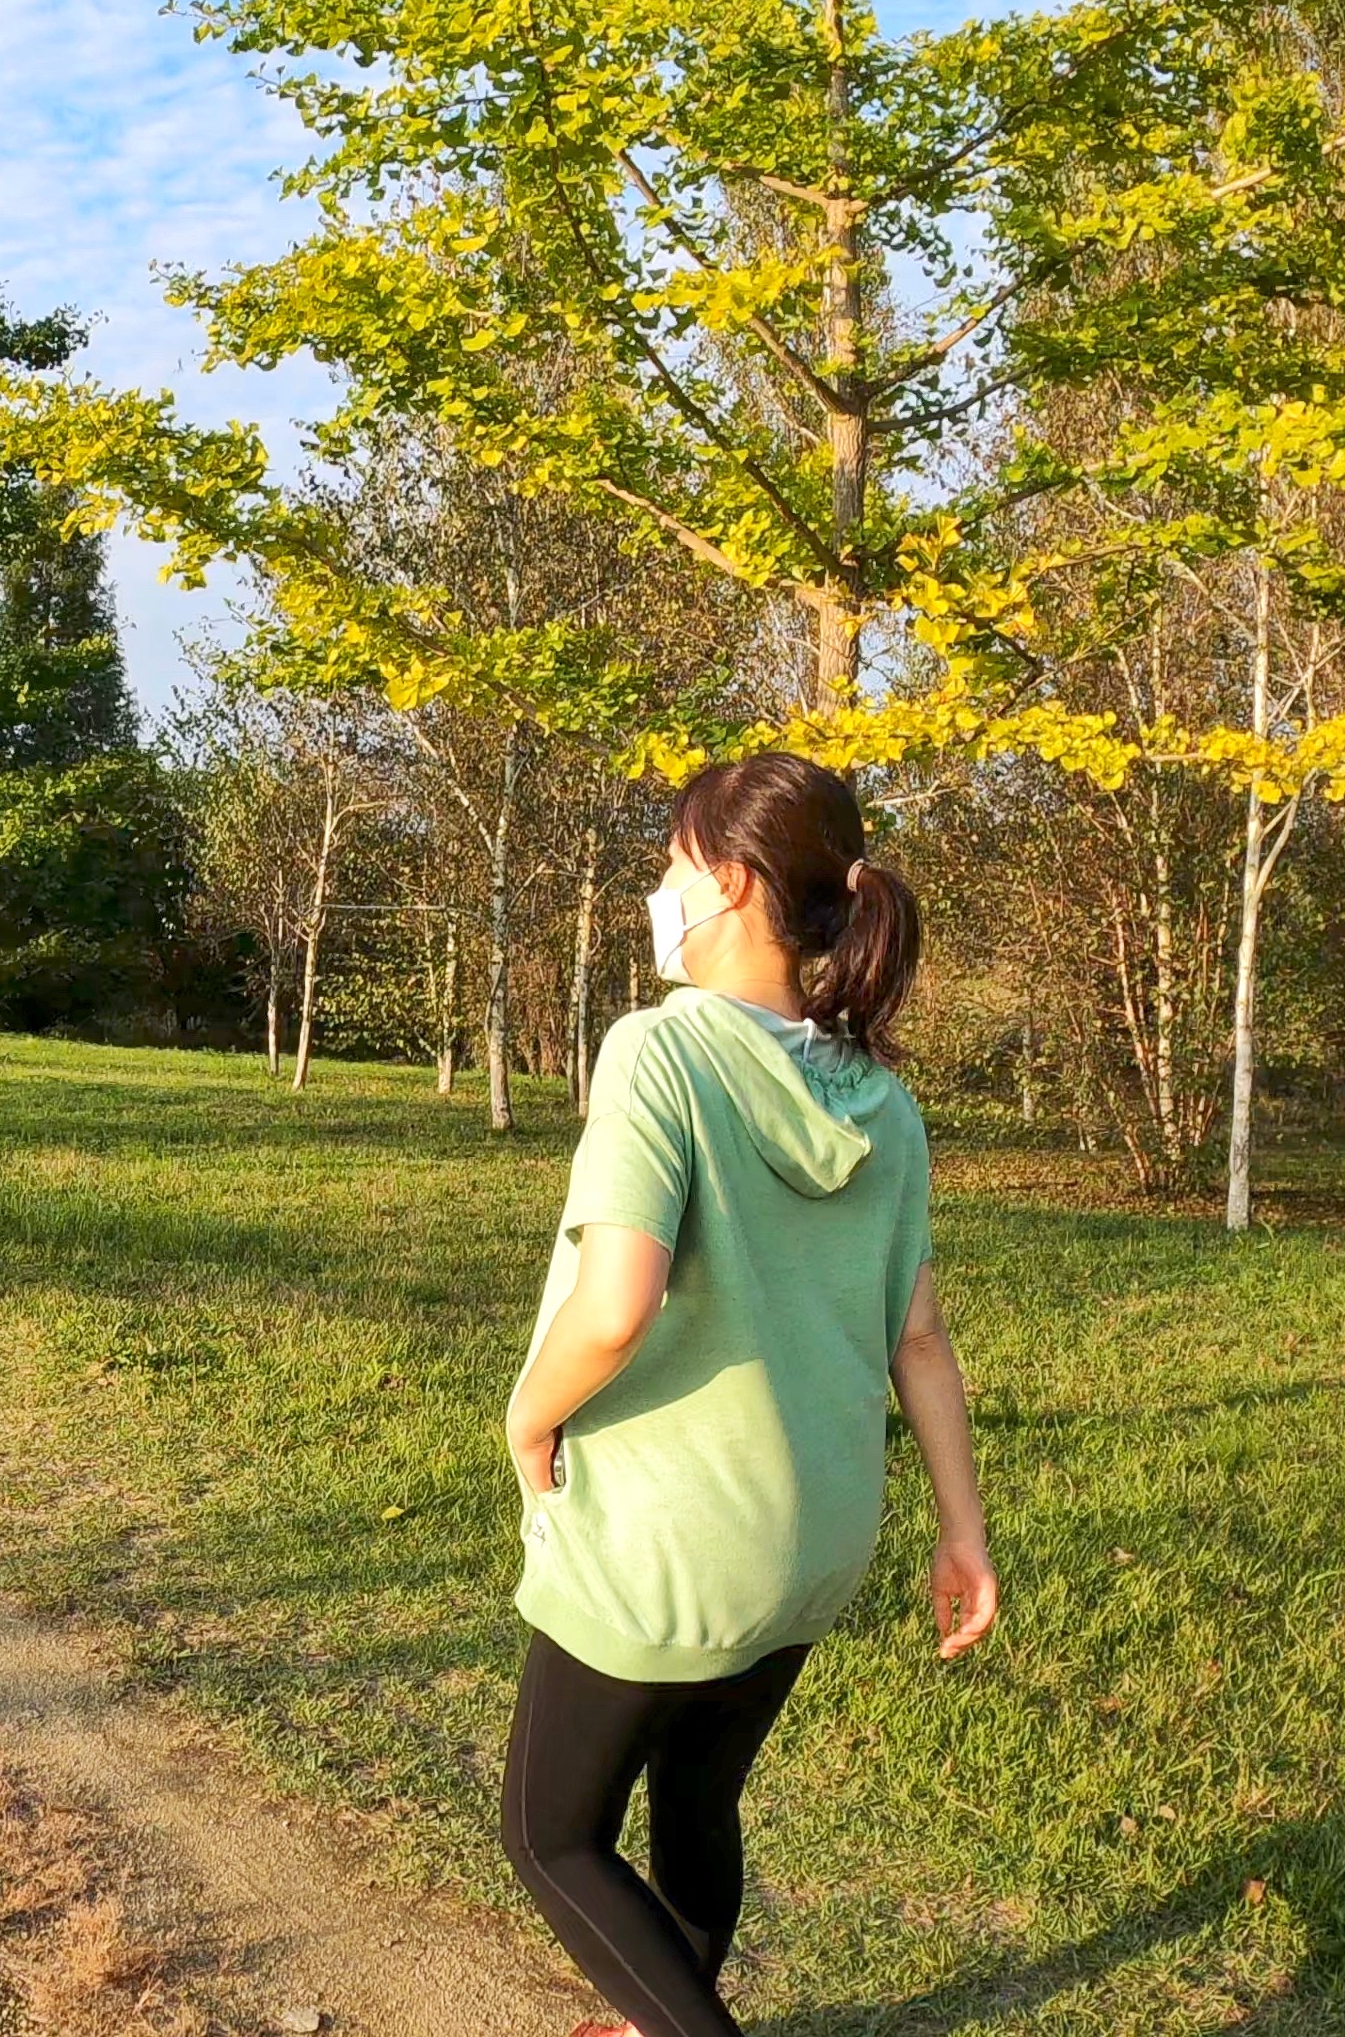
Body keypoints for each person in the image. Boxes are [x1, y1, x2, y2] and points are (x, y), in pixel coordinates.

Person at [498, 751, 998, 2037]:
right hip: (816, 1535)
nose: (657, 891)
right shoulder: (881, 1099)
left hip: (668, 1536)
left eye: (670, 866)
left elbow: (615, 1307)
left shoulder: (661, 1053)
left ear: (728, 883)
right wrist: (962, 1533)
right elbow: (920, 1337)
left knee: (551, 1835)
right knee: (697, 1798)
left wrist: (527, 1416)